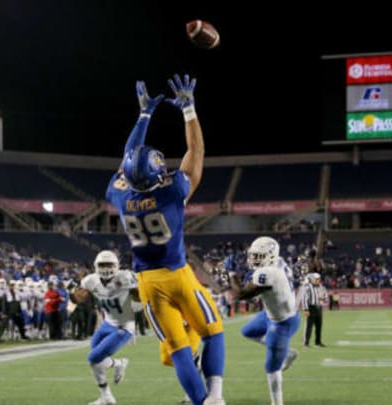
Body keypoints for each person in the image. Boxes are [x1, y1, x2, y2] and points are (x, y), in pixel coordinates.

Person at [105, 74, 225, 405]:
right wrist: (189, 111)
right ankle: (215, 395)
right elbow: (196, 151)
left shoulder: (120, 197)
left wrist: (144, 116)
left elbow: (128, 157)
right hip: (177, 274)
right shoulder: (172, 192)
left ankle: (202, 403)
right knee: (213, 333)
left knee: (179, 352)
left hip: (147, 282)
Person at [229, 237, 300, 405]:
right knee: (247, 331)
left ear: (270, 256)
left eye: (259, 256)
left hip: (282, 322)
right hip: (271, 314)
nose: (254, 259)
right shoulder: (278, 262)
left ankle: (277, 403)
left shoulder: (267, 273)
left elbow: (240, 295)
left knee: (271, 369)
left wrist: (231, 274)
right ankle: (288, 353)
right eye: (254, 255)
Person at [71, 250, 136, 405]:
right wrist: (75, 298)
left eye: (109, 264)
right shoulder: (90, 280)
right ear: (96, 266)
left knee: (93, 359)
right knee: (96, 359)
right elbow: (79, 296)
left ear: (117, 265)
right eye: (103, 264)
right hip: (107, 323)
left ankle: (106, 396)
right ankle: (119, 364)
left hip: (123, 326)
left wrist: (136, 291)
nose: (106, 268)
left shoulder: (125, 277)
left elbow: (142, 295)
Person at [300, 272, 326, 347]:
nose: (318, 281)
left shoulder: (321, 287)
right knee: (309, 326)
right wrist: (306, 309)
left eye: (319, 279)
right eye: (316, 279)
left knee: (319, 326)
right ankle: (306, 342)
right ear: (312, 280)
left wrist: (323, 298)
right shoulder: (308, 287)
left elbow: (325, 296)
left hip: (319, 307)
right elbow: (304, 299)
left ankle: (318, 342)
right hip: (311, 307)